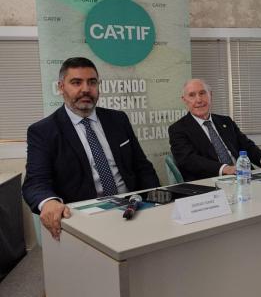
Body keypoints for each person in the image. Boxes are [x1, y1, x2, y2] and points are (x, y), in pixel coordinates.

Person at [22, 57, 160, 240]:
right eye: (76, 82)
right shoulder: (43, 131)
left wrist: (156, 201)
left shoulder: (118, 119)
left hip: (133, 208)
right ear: (61, 87)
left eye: (92, 82)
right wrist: (49, 202)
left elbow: (142, 167)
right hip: (83, 218)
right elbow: (36, 182)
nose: (86, 89)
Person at [169, 79, 261, 182]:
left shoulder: (225, 121)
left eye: (202, 93)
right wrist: (225, 169)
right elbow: (189, 160)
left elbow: (246, 145)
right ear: (184, 100)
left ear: (210, 95)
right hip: (211, 183)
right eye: (192, 95)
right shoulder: (178, 129)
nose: (199, 100)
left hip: (245, 178)